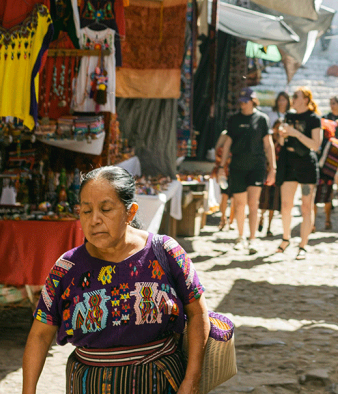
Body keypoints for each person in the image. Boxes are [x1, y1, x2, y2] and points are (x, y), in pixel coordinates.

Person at [22, 166, 209, 394]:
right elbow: (40, 334)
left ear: (130, 213)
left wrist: (192, 378)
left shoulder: (166, 252)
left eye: (106, 209)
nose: (94, 220)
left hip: (158, 383)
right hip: (88, 386)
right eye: (86, 211)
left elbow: (198, 313)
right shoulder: (67, 268)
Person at [219, 88, 277, 255]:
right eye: (241, 101)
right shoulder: (234, 119)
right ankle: (240, 237)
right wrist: (222, 166)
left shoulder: (262, 119)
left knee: (253, 203)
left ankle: (252, 239)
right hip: (237, 166)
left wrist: (273, 168)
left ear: (253, 100)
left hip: (256, 166)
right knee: (239, 204)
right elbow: (228, 143)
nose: (242, 104)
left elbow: (268, 144)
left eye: (245, 100)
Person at [276, 86, 322, 260]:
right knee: (286, 205)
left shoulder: (314, 118)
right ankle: (285, 238)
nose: (292, 98)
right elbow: (282, 141)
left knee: (306, 207)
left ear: (305, 99)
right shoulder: (289, 116)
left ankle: (303, 245)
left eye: (296, 96)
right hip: (288, 163)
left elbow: (316, 145)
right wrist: (281, 134)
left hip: (306, 165)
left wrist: (295, 133)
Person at [258, 119, 284, 237]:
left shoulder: (283, 142)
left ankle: (269, 226)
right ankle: (261, 219)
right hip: (265, 173)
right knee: (264, 200)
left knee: (273, 202)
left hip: (277, 177)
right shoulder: (268, 140)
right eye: (277, 127)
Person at [212, 130, 233, 231]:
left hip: (224, 174)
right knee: (227, 198)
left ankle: (225, 219)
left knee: (227, 198)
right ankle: (225, 219)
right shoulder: (222, 149)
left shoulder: (219, 149)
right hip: (225, 174)